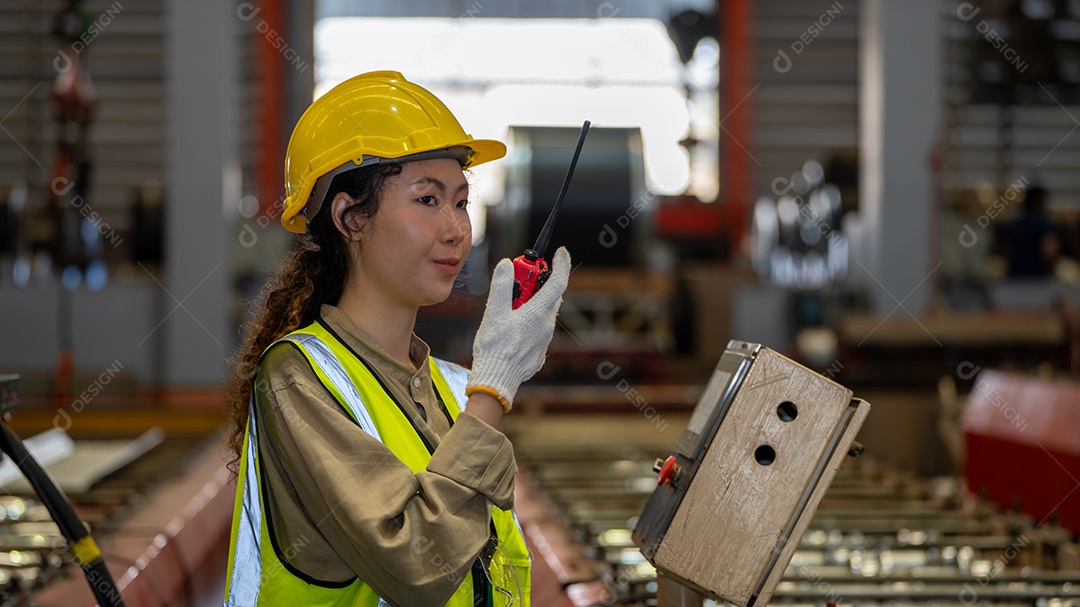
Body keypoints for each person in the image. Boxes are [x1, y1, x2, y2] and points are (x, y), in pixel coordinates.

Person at [223, 71, 571, 607]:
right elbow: (418, 563)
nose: (456, 229)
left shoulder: (450, 387)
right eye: (428, 200)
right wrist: (495, 385)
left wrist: (486, 385)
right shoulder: (296, 379)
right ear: (350, 218)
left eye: (461, 202)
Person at [999, 185, 1060, 279]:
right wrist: (1051, 272)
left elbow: (1005, 252)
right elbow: (1049, 251)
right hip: (1039, 278)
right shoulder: (1044, 224)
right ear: (1038, 200)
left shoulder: (1012, 225)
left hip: (1015, 278)